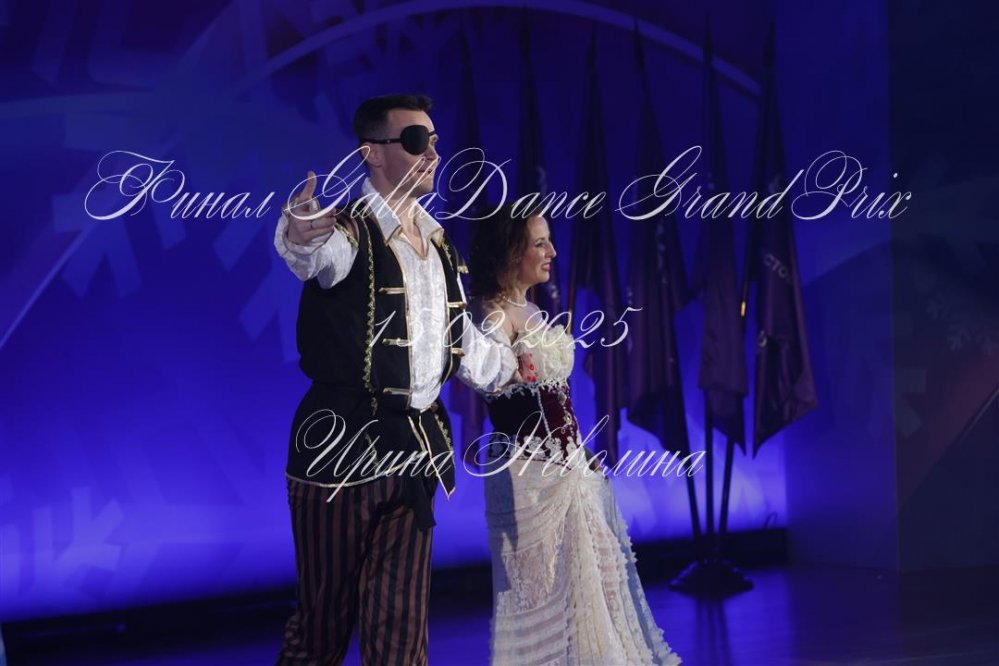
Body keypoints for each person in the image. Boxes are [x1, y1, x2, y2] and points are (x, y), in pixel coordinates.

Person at [273, 94, 530, 666]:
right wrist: (298, 231)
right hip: (339, 451)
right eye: (416, 141)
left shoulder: (438, 246)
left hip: (415, 453)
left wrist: (516, 365)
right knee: (321, 628)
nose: (432, 153)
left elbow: (459, 344)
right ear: (373, 153)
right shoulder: (347, 233)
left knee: (401, 633)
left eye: (434, 141)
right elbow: (311, 253)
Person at [468, 206, 682, 665]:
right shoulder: (493, 314)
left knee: (602, 578)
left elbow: (555, 396)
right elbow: (487, 379)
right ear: (512, 252)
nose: (552, 252)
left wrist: (581, 453)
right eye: (539, 243)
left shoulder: (531, 309)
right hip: (531, 474)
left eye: (549, 240)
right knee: (546, 592)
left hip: (569, 469)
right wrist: (509, 371)